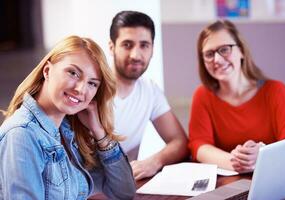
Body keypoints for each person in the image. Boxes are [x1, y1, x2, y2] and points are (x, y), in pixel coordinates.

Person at [0, 36, 135, 200]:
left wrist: (99, 132)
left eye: (92, 83)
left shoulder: (68, 131)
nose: (81, 89)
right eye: (73, 73)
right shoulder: (21, 135)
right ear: (47, 71)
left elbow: (124, 192)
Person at [189, 20, 285, 173]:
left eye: (224, 49)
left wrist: (261, 154)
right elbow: (198, 144)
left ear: (241, 50)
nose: (217, 60)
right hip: (229, 184)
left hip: (274, 176)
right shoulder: (202, 95)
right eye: (209, 54)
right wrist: (236, 161)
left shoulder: (276, 90)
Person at [109, 11, 189, 180]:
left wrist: (154, 162)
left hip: (126, 186)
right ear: (111, 47)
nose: (136, 55)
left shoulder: (149, 90)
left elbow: (180, 142)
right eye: (127, 45)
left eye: (144, 45)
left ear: (152, 49)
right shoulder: (90, 88)